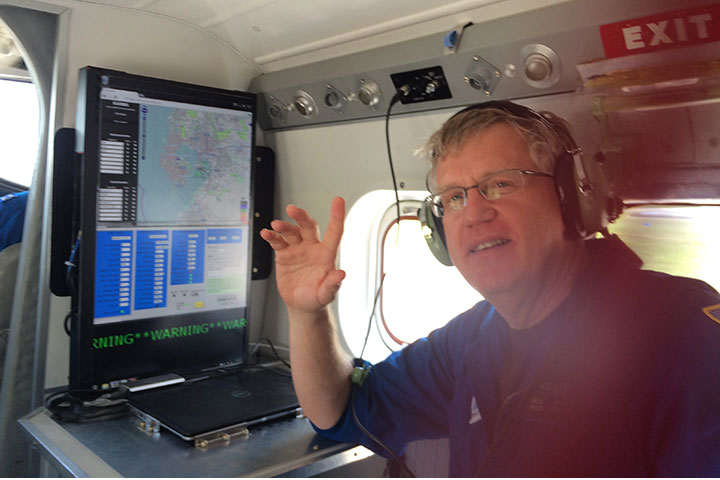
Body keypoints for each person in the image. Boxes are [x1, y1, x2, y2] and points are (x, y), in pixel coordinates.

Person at [259, 101, 720, 477]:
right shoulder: (473, 338)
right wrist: (306, 314)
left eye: (500, 184)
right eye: (454, 198)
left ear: (571, 198)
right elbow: (341, 412)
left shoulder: (684, 338)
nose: (474, 214)